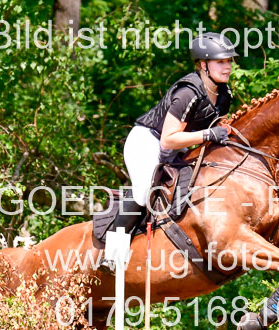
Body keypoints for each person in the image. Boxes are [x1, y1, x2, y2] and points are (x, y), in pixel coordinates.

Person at [100, 31, 238, 272]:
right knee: (144, 191)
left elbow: (218, 128)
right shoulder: (188, 93)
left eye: (229, 61)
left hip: (180, 146)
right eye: (221, 62)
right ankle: (111, 253)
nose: (227, 67)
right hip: (147, 141)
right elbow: (168, 139)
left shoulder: (224, 94)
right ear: (204, 65)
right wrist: (208, 135)